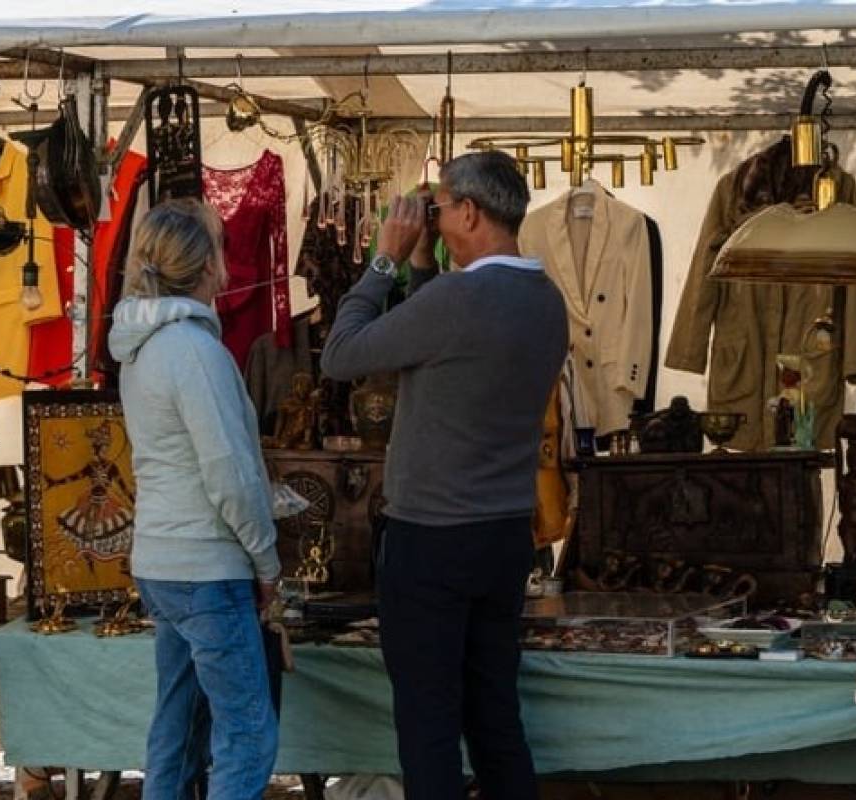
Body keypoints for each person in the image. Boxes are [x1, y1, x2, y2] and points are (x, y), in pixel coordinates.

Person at [321, 151, 569, 799]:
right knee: (494, 717)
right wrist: (427, 263)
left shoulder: (461, 300)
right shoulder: (546, 300)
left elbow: (341, 355)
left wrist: (384, 261)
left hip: (431, 538)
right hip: (504, 534)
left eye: (437, 208)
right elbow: (448, 347)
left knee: (428, 725)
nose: (429, 217)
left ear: (467, 211)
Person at [109, 198, 281, 800]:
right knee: (247, 733)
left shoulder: (143, 346)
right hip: (206, 565)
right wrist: (266, 562)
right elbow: (230, 473)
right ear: (209, 266)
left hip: (162, 560)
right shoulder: (193, 350)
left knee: (178, 727)